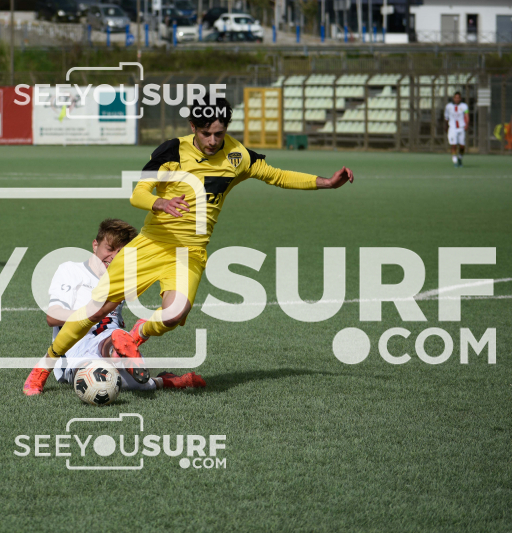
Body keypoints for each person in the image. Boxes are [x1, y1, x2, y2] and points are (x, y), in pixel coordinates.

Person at [35, 94, 355, 383]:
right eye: (206, 133)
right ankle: (41, 370)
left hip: (190, 253)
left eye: (219, 133)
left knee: (174, 314)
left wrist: (326, 183)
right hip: (151, 245)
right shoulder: (172, 151)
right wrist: (159, 202)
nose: (213, 141)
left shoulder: (238, 155)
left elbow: (278, 175)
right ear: (193, 127)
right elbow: (138, 192)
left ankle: (133, 336)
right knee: (96, 310)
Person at [23, 218, 207, 396]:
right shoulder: (71, 270)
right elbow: (53, 316)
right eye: (109, 248)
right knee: (120, 382)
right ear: (95, 245)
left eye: (120, 253)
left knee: (114, 349)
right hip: (75, 347)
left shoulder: (121, 279)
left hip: (110, 338)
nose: (113, 257)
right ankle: (162, 380)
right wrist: (91, 314)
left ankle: (120, 349)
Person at [444, 91, 469, 168]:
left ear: (460, 98)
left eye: (458, 98)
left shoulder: (464, 106)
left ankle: (460, 158)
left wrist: (467, 124)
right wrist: (446, 126)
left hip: (461, 128)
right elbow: (446, 118)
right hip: (452, 128)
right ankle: (455, 161)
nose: (457, 99)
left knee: (462, 146)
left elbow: (466, 115)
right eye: (455, 98)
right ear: (453, 98)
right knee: (454, 145)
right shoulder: (448, 106)